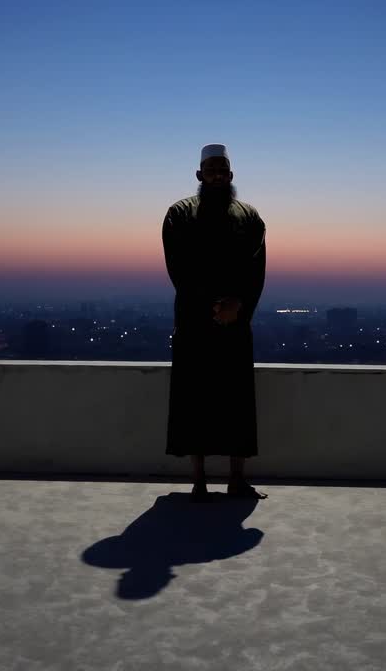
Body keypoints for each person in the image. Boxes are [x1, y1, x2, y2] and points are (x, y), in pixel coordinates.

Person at [162, 143, 268, 503]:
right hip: (194, 323)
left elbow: (256, 270)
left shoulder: (250, 217)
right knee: (194, 402)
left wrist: (238, 305)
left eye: (223, 170)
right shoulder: (179, 215)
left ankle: (237, 479)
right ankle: (199, 480)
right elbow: (179, 268)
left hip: (236, 323)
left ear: (231, 175)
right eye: (212, 171)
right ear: (199, 175)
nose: (218, 176)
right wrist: (214, 306)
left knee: (236, 401)